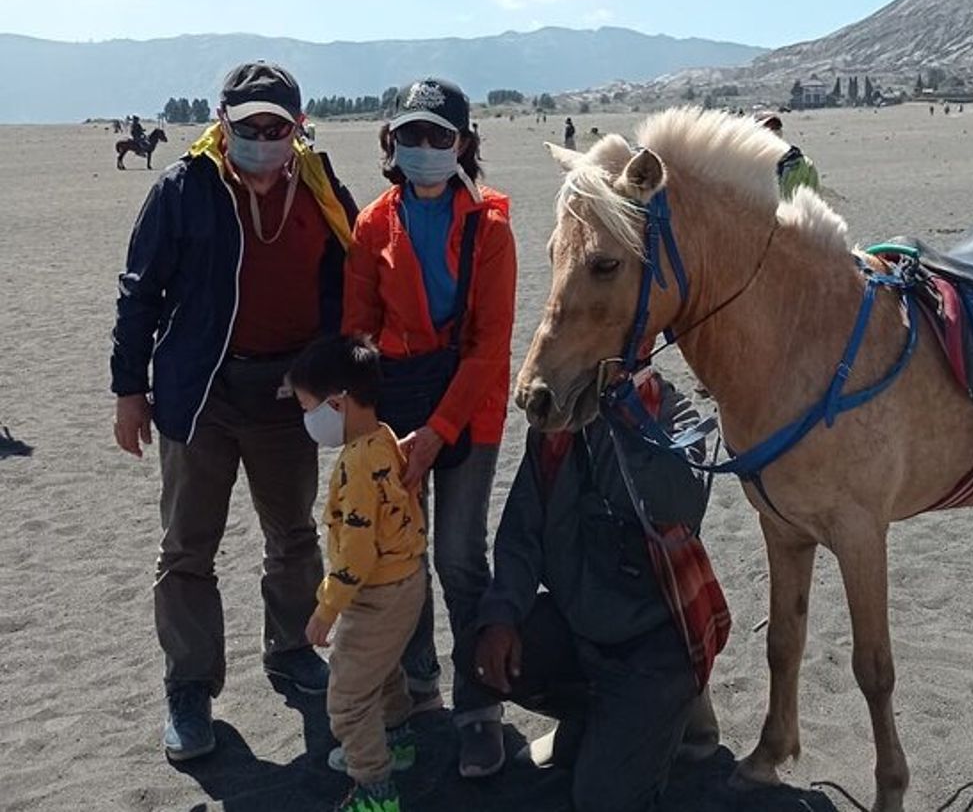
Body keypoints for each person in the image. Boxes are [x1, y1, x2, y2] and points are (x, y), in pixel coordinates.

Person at [110, 61, 358, 762]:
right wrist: (130, 390)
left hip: (288, 395)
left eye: (274, 126)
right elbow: (139, 292)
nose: (260, 137)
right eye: (246, 125)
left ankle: (290, 651)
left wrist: (332, 370)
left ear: (297, 128)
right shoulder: (183, 188)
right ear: (222, 123)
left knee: (293, 534)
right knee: (188, 546)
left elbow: (348, 272)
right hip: (203, 394)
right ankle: (189, 686)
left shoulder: (318, 187)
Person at [343, 77, 517, 777]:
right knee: (400, 559)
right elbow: (358, 329)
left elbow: (488, 346)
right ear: (390, 142)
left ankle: (480, 709)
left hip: (468, 408)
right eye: (409, 134)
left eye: (438, 136)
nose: (423, 148)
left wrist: (438, 432)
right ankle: (419, 693)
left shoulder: (491, 229)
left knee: (457, 557)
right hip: (394, 401)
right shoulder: (372, 225)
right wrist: (373, 432)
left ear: (464, 145)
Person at [465, 368, 729, 812]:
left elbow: (680, 500)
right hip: (583, 633)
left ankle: (676, 725)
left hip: (655, 650)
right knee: (478, 646)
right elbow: (521, 535)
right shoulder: (556, 426)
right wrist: (501, 618)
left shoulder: (667, 409)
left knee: (600, 800)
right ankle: (595, 721)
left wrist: (622, 415)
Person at [289, 335, 427, 812]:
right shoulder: (385, 436)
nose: (307, 421)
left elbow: (357, 553)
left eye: (308, 409)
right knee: (383, 669)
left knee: (347, 699)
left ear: (336, 403)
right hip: (407, 581)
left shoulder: (357, 461)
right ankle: (398, 740)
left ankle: (375, 791)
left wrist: (327, 609)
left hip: (379, 593)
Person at [754, 110, 820, 198]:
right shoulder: (746, 165)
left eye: (775, 127)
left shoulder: (804, 165)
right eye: (766, 128)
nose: (771, 131)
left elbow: (813, 200)